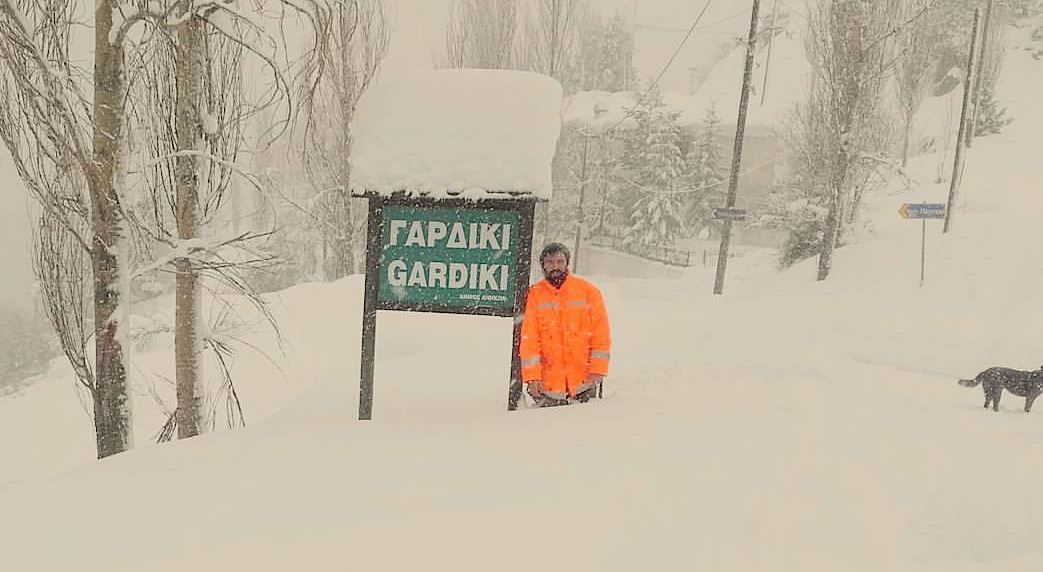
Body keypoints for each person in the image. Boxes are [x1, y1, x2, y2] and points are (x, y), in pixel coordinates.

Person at [519, 243, 611, 407]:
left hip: (585, 383)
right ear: (543, 265)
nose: (555, 267)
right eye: (550, 262)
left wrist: (598, 370)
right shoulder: (535, 294)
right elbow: (530, 339)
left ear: (567, 263)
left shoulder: (589, 292)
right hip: (548, 388)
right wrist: (532, 377)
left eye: (560, 261)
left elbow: (601, 334)